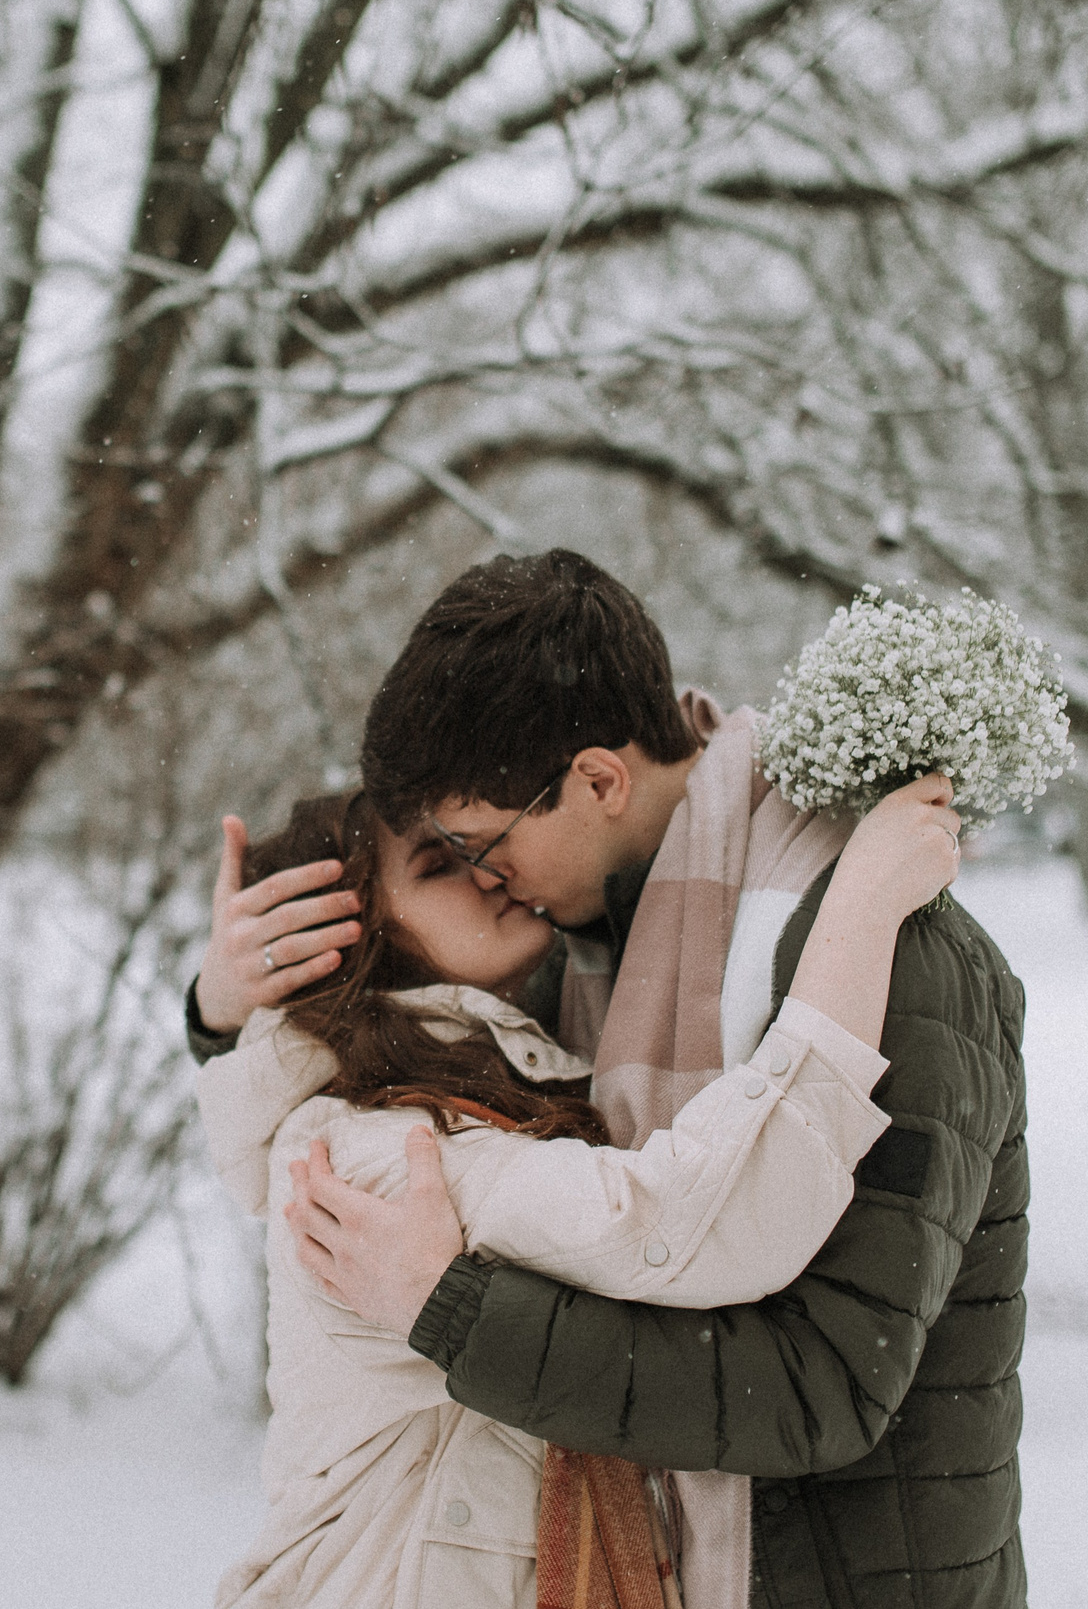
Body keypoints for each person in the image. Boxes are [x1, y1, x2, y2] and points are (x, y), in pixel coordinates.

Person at [192, 550, 1031, 1609]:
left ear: (597, 779)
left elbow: (823, 1380)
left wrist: (451, 1312)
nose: (491, 881)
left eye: (480, 845)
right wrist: (230, 1003)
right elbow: (374, 1053)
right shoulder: (584, 956)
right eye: (446, 860)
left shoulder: (876, 945)